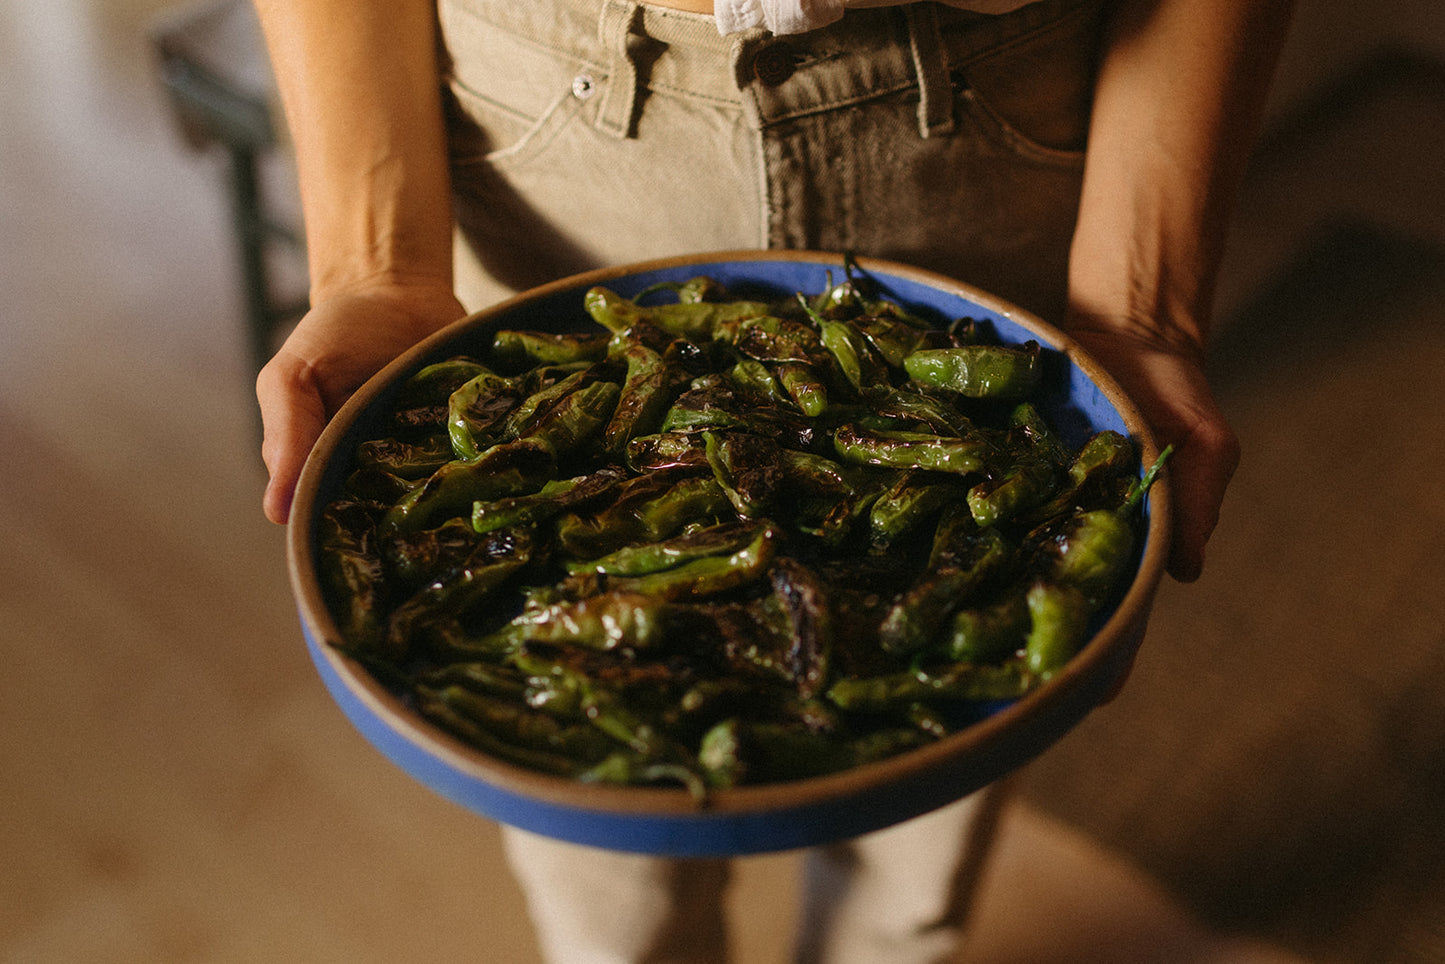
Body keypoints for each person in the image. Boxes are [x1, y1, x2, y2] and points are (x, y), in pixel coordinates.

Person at [250, 0, 1292, 960]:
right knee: (613, 873)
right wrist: (372, 267)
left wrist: (1138, 309)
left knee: (915, 842)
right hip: (553, 108)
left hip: (986, 99)